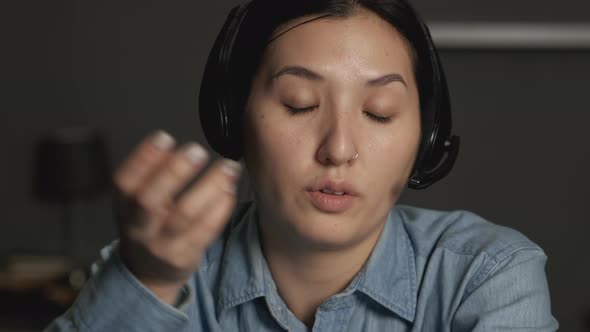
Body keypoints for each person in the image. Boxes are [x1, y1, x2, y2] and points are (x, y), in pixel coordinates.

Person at [46, 0, 559, 331]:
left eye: (379, 113)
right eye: (299, 103)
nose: (338, 149)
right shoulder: (151, 270)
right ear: (234, 118)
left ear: (423, 137)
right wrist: (147, 282)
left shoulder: (487, 274)